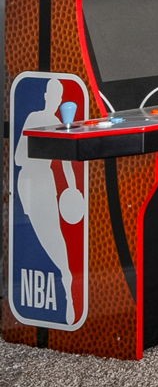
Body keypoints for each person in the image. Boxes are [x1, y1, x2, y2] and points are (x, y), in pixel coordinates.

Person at [12, 79, 86, 322]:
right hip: (31, 181)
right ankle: (64, 282)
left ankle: (67, 284)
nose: (55, 99)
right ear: (46, 96)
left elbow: (65, 161)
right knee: (44, 236)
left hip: (43, 182)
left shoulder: (58, 122)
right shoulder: (36, 117)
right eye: (53, 94)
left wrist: (73, 191)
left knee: (52, 236)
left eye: (59, 95)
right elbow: (18, 157)